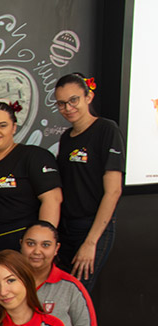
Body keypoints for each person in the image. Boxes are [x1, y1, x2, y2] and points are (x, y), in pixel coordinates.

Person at [0, 102, 63, 262]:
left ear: (14, 127)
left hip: (24, 248)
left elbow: (52, 200)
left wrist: (41, 246)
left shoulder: (33, 156)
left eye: (2, 125)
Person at [54, 73, 125, 292]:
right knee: (60, 293)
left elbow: (113, 192)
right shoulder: (66, 138)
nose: (68, 107)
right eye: (62, 103)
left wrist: (91, 242)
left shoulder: (107, 130)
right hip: (66, 228)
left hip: (93, 227)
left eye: (73, 100)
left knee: (77, 295)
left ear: (88, 97)